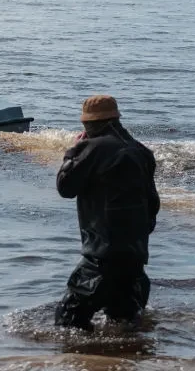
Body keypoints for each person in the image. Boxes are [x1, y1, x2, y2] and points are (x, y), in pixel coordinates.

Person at [53, 94, 160, 330]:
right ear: (116, 119)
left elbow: (65, 187)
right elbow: (153, 206)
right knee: (125, 328)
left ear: (89, 124)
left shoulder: (92, 148)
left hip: (100, 263)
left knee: (66, 326)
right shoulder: (141, 151)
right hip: (135, 264)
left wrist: (73, 151)